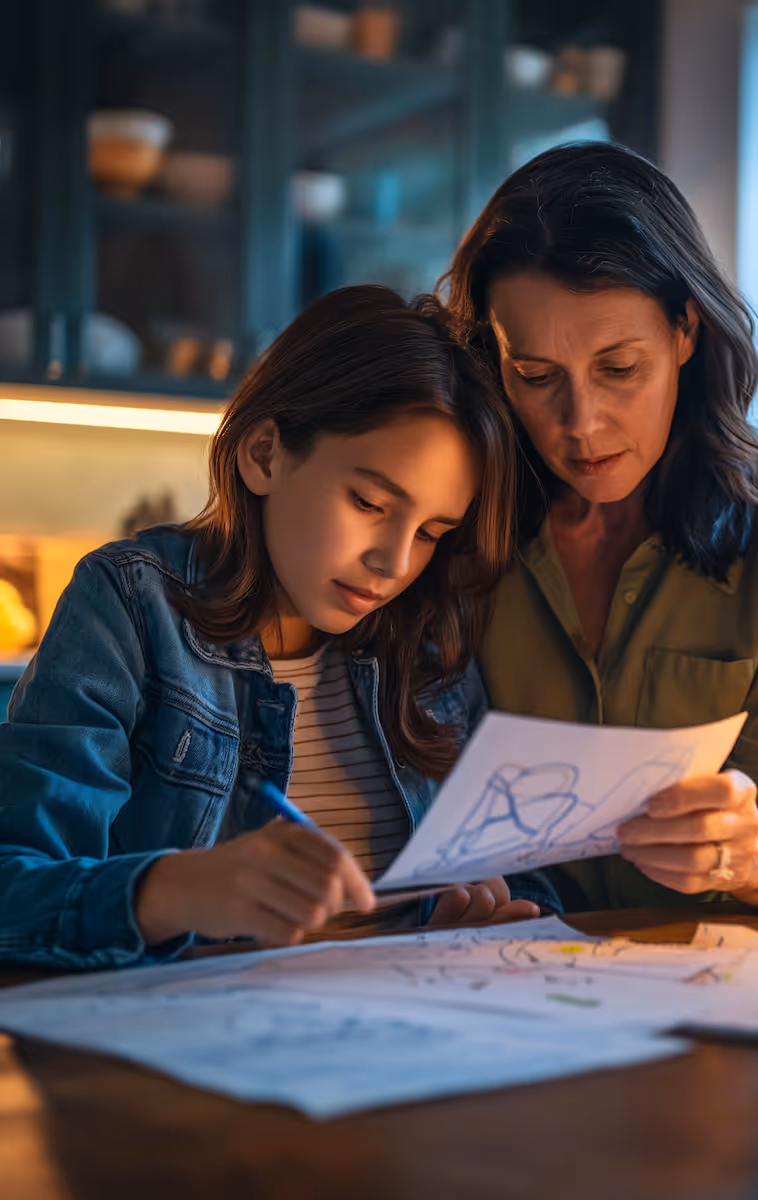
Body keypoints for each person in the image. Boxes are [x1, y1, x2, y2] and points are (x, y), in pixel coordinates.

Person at [0, 286, 551, 970]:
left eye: (433, 532)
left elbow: (523, 875)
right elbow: (13, 889)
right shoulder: (134, 604)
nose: (395, 563)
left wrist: (481, 908)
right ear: (263, 454)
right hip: (186, 1042)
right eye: (369, 502)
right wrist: (172, 890)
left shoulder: (425, 635)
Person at [443, 142, 758, 917]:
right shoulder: (450, 520)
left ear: (685, 330)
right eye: (536, 377)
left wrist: (757, 852)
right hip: (503, 969)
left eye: (618, 368)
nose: (581, 424)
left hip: (718, 974)